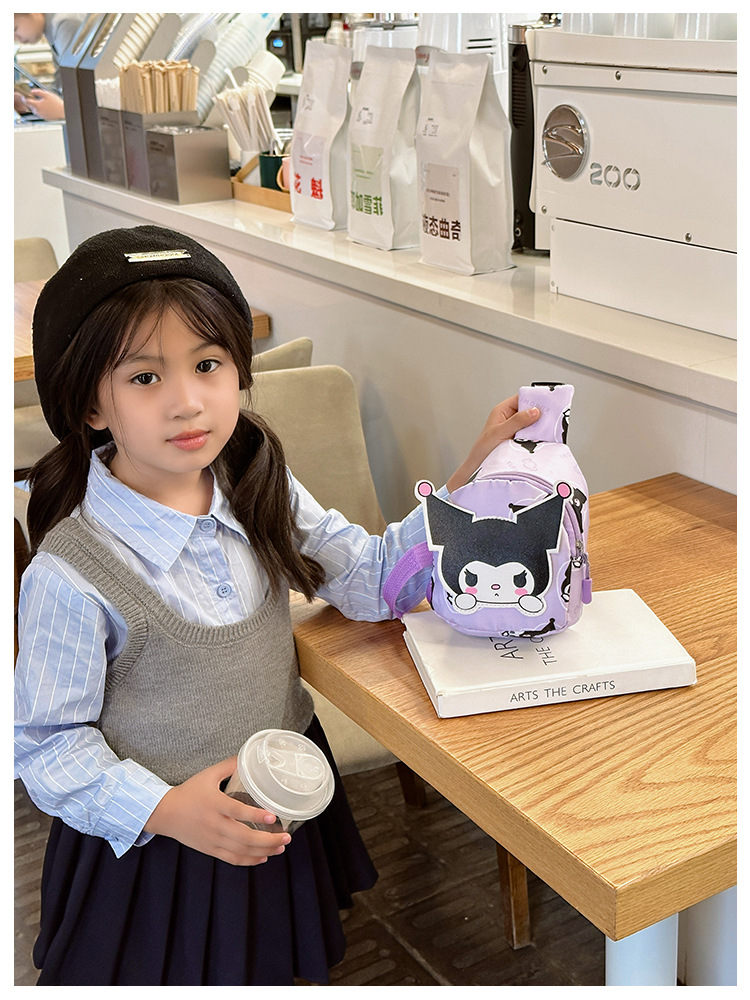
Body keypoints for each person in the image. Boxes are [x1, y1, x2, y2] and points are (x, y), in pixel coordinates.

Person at [14, 225, 540, 987]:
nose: (188, 402)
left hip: (280, 800)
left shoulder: (256, 483)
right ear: (90, 405)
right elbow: (47, 746)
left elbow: (370, 580)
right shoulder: (70, 574)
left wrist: (473, 474)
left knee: (272, 963)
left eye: (208, 364)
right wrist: (166, 811)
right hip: (159, 847)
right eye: (145, 377)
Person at [13, 13, 88, 119]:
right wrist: (30, 100)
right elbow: (62, 83)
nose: (15, 38)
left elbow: (84, 90)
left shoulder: (66, 24)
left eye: (15, 29)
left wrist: (62, 111)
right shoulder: (53, 28)